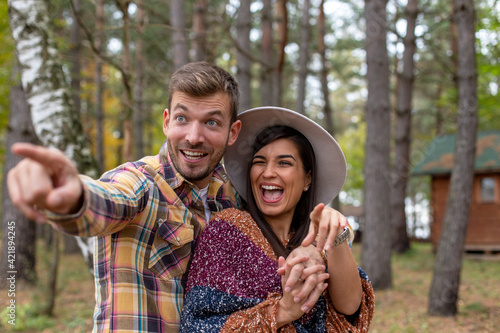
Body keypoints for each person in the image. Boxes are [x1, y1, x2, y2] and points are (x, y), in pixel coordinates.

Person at [7, 61, 244, 332]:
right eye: (182, 118)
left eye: (211, 122)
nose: (193, 137)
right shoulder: (141, 182)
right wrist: (75, 196)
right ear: (167, 122)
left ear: (232, 132)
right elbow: (109, 198)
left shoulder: (233, 198)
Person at [181, 107, 375, 332]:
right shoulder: (226, 230)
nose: (268, 172)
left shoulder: (316, 243)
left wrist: (336, 237)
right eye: (260, 162)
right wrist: (283, 311)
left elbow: (350, 309)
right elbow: (199, 324)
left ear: (307, 179)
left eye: (284, 163)